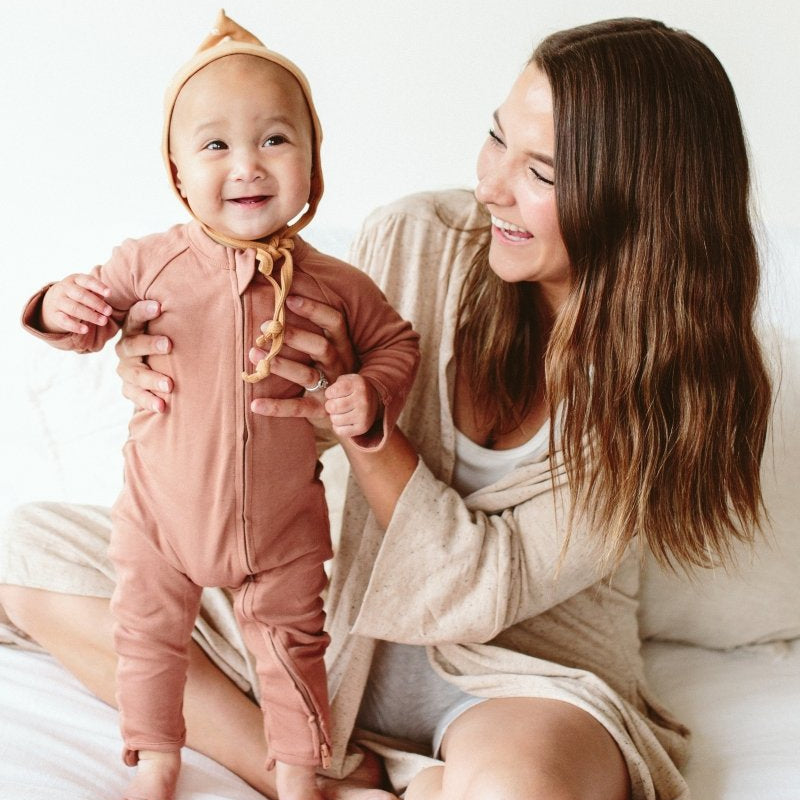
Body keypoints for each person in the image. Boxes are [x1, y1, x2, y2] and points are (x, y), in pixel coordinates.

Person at [1, 16, 771, 800]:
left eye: (541, 172)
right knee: (28, 554)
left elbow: (479, 590)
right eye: (496, 138)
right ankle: (319, 778)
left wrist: (369, 429)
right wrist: (180, 368)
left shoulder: (673, 392)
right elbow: (288, 436)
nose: (491, 185)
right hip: (335, 616)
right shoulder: (420, 236)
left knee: (521, 792)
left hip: (516, 667)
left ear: (641, 200)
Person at [15, 10, 419, 800]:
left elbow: (397, 345)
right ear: (176, 170)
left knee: (294, 648)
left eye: (275, 139)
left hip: (281, 525)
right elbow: (84, 315)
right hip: (160, 517)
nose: (248, 166)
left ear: (313, 161)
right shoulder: (149, 261)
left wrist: (368, 394)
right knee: (146, 636)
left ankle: (301, 775)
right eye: (216, 146)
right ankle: (155, 757)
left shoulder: (338, 284)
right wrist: (57, 306)